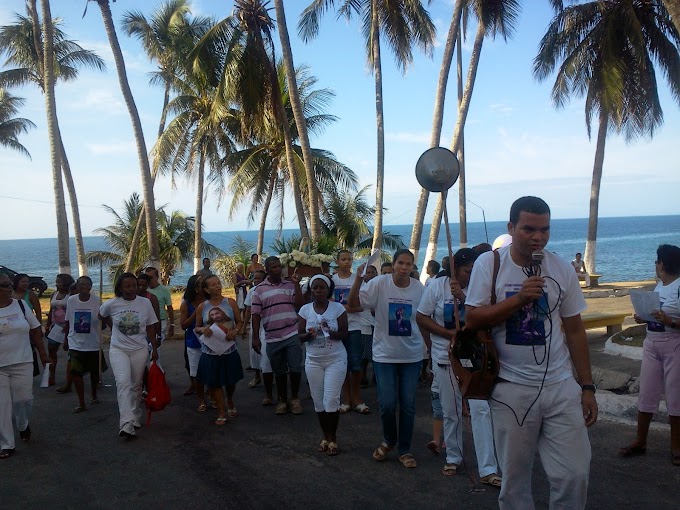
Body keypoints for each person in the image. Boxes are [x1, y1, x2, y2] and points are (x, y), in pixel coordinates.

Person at [465, 196, 597, 509]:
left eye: (544, 230)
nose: (538, 237)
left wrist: (587, 387)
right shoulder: (491, 264)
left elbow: (575, 330)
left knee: (574, 474)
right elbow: (472, 318)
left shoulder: (560, 268)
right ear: (511, 228)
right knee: (515, 481)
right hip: (511, 389)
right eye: (529, 229)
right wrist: (519, 299)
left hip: (560, 386)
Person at [417, 248, 502, 484]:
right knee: (451, 411)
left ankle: (488, 469)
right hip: (446, 359)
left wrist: (464, 298)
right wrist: (447, 333)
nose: (470, 275)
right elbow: (421, 317)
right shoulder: (436, 286)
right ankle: (453, 457)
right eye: (466, 271)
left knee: (480, 410)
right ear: (455, 268)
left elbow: (486, 317)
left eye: (474, 271)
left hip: (474, 360)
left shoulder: (480, 287)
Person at [348, 249, 425, 469]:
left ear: (413, 266)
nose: (404, 268)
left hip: (411, 356)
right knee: (388, 404)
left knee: (408, 406)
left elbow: (425, 317)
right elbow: (354, 304)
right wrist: (357, 279)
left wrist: (429, 350)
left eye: (408, 264)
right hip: (384, 355)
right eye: (400, 263)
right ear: (393, 264)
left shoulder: (419, 289)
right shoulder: (379, 283)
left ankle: (405, 449)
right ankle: (389, 439)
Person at [620, 244, 680, 466]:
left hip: (674, 345)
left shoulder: (679, 287)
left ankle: (676, 447)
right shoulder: (658, 287)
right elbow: (658, 315)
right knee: (646, 393)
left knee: (675, 396)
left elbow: (671, 319)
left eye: (657, 262)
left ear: (662, 264)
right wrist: (645, 318)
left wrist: (669, 321)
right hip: (652, 344)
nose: (656, 266)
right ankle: (640, 441)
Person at [99, 273, 159, 438]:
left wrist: (154, 348)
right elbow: (101, 315)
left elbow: (151, 326)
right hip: (118, 349)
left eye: (134, 285)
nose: (132, 289)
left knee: (136, 384)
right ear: (120, 288)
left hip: (140, 349)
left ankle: (135, 415)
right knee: (123, 383)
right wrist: (113, 328)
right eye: (127, 286)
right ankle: (126, 423)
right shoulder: (112, 304)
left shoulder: (145, 303)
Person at [298, 275, 348, 456]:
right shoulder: (305, 310)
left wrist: (329, 331)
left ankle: (333, 439)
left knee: (331, 400)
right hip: (313, 361)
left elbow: (344, 334)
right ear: (311, 290)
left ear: (328, 290)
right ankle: (325, 437)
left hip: (336, 359)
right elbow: (299, 337)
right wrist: (309, 335)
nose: (318, 290)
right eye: (315, 287)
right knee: (318, 401)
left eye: (322, 287)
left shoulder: (338, 308)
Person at [0, 273, 48, 459]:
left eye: (8, 284)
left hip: (23, 361)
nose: (8, 287)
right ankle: (6, 444)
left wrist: (43, 356)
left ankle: (22, 424)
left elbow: (36, 330)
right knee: (2, 406)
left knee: (24, 399)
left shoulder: (20, 305)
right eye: (3, 285)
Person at [251, 256, 304, 415]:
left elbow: (299, 305)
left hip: (292, 334)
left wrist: (296, 285)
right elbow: (255, 315)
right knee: (279, 371)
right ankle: (282, 400)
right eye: (273, 267)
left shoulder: (289, 285)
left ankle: (294, 398)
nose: (277, 269)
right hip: (273, 337)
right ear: (267, 270)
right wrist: (255, 337)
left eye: (279, 266)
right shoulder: (258, 290)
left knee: (295, 368)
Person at [194, 276, 243, 425]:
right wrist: (203, 329)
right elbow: (196, 328)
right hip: (210, 351)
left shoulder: (230, 303)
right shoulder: (202, 307)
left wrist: (236, 330)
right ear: (206, 289)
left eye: (219, 283)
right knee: (214, 383)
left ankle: (229, 399)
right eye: (213, 285)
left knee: (230, 381)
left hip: (229, 349)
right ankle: (221, 411)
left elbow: (239, 321)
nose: (218, 287)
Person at [332, 250, 369, 414]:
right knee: (341, 365)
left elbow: (362, 306)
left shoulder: (358, 280)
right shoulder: (332, 281)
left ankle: (357, 398)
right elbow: (329, 303)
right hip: (337, 328)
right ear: (337, 261)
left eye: (349, 259)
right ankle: (346, 399)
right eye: (343, 259)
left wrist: (343, 308)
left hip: (354, 327)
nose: (347, 262)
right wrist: (349, 308)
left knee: (356, 364)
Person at [63, 276, 102, 413]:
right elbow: (68, 320)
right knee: (76, 372)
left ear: (91, 286)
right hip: (75, 342)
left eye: (87, 284)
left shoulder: (97, 300)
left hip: (93, 342)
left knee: (94, 372)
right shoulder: (72, 300)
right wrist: (65, 339)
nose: (84, 287)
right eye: (81, 284)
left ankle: (94, 394)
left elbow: (102, 321)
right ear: (77, 287)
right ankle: (81, 402)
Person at [179, 275, 208, 409]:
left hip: (210, 340)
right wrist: (196, 312)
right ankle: (201, 399)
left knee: (211, 369)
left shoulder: (210, 301)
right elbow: (183, 325)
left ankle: (213, 394)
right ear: (196, 289)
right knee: (195, 371)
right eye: (202, 285)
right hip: (193, 340)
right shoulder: (186, 303)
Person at [242, 270, 271, 396]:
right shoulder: (252, 291)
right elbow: (248, 310)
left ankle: (268, 377)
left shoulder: (268, 290)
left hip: (267, 325)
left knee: (266, 352)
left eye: (259, 278)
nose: (257, 280)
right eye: (255, 278)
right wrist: (244, 326)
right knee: (254, 352)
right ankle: (257, 375)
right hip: (255, 325)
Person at [45, 273, 75, 390]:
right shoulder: (54, 294)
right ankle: (51, 376)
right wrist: (47, 326)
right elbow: (51, 310)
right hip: (56, 326)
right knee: (51, 350)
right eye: (56, 281)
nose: (57, 284)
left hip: (69, 326)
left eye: (60, 282)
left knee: (71, 353)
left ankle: (70, 380)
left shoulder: (71, 295)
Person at [13, 274, 43, 376]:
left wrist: (39, 328)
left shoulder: (30, 295)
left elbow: (38, 312)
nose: (26, 284)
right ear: (17, 282)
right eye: (23, 282)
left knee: (31, 349)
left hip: (29, 328)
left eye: (27, 282)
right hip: (14, 328)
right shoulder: (10, 294)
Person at [359, 265, 378, 388]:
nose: (370, 275)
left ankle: (376, 376)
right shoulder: (361, 288)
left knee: (376, 352)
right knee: (364, 354)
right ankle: (363, 375)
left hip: (378, 324)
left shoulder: (379, 286)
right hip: (364, 323)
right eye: (368, 272)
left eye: (372, 272)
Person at [144, 267, 174, 343]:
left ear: (157, 277)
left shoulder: (164, 290)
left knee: (156, 344)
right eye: (147, 278)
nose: (149, 280)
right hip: (146, 322)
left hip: (161, 321)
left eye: (151, 277)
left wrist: (172, 325)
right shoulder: (143, 290)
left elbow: (169, 308)